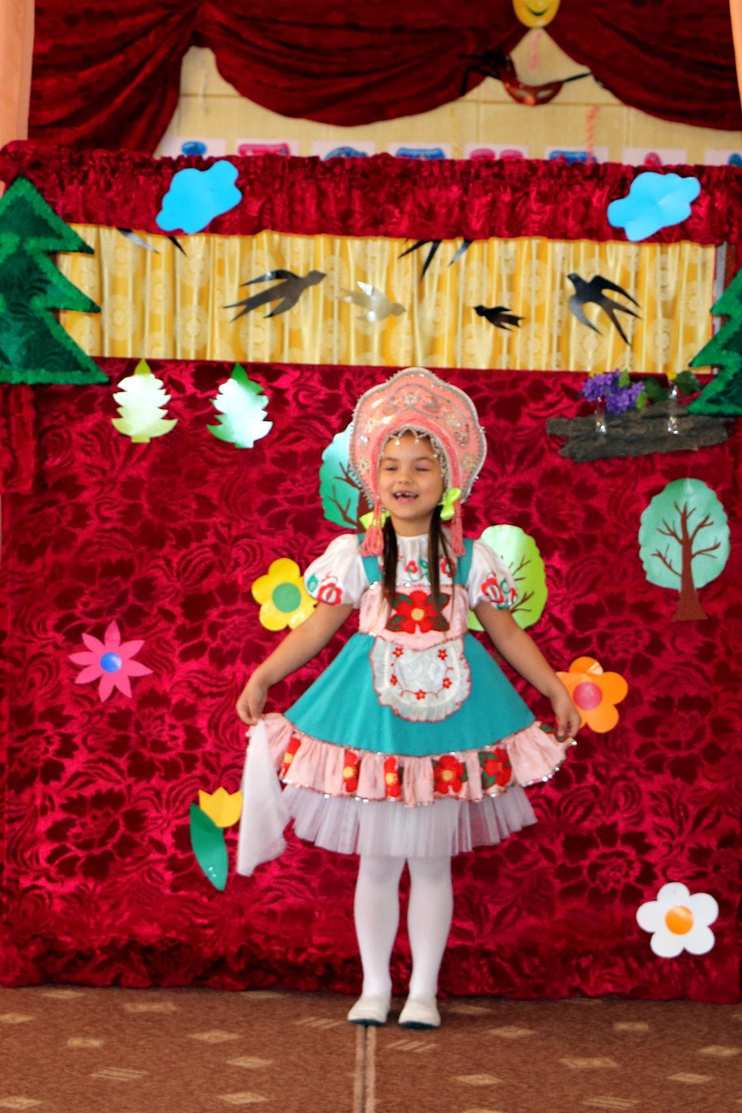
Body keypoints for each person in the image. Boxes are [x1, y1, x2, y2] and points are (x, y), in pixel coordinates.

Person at [236, 366, 580, 1030]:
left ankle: (422, 990)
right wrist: (264, 675)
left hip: (453, 726)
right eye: (392, 465)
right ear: (373, 477)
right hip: (374, 726)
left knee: (430, 863)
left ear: (448, 480)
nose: (405, 478)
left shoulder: (472, 558)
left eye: (422, 467)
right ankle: (374, 985)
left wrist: (553, 688)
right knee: (377, 862)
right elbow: (317, 628)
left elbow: (507, 633)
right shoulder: (355, 556)